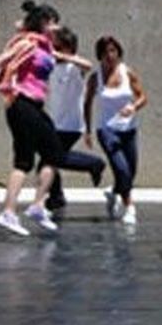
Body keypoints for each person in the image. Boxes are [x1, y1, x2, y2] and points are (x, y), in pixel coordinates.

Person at [0, 0, 68, 236]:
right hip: (22, 104)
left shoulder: (44, 46)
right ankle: (12, 211)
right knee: (32, 158)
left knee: (47, 155)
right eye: (53, 23)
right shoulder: (27, 43)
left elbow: (54, 49)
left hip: (32, 106)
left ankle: (33, 207)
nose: (57, 27)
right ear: (44, 23)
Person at [41, 27, 104, 219]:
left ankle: (94, 164)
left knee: (50, 160)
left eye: (60, 47)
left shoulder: (74, 68)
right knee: (49, 161)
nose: (55, 50)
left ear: (69, 48)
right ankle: (56, 197)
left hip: (70, 125)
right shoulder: (51, 66)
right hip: (53, 122)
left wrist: (64, 56)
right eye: (54, 47)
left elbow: (88, 65)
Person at [85, 34, 146, 226]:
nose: (110, 56)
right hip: (107, 130)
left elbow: (142, 97)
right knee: (121, 169)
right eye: (105, 53)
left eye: (113, 51)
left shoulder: (128, 73)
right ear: (100, 55)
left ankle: (113, 193)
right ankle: (130, 208)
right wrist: (87, 130)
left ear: (118, 53)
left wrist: (133, 107)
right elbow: (87, 103)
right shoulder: (95, 78)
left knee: (130, 171)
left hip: (129, 130)